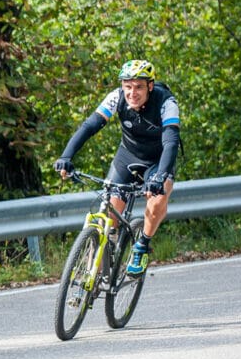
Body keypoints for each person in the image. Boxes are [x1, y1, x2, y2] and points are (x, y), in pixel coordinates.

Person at [54, 59, 181, 276]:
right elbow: (90, 126)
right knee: (109, 217)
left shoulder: (166, 103)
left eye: (139, 86)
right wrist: (66, 156)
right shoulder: (116, 97)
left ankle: (142, 246)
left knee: (159, 197)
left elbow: (171, 142)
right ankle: (101, 258)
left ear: (150, 86)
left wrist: (160, 177)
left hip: (157, 160)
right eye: (128, 86)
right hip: (128, 157)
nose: (132, 93)